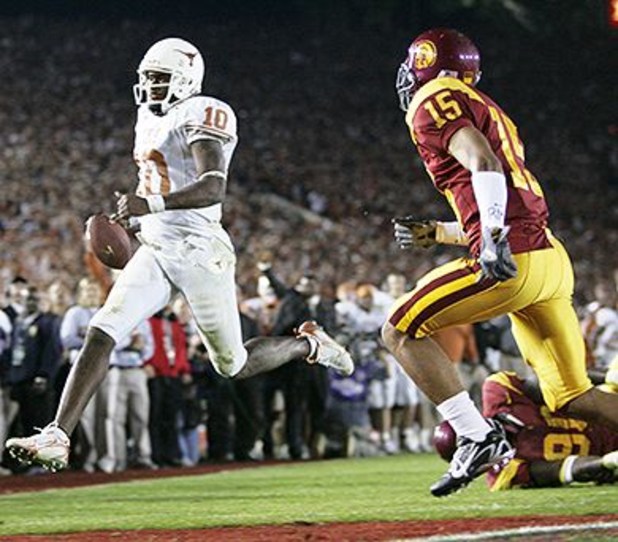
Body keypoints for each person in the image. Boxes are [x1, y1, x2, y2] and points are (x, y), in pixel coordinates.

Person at [6, 37, 352, 472]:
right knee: (102, 329)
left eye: (159, 78)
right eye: (147, 77)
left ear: (186, 79)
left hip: (200, 251)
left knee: (232, 364)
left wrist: (149, 205)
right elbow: (156, 181)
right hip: (157, 246)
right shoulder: (147, 117)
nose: (150, 85)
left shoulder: (203, 112)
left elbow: (213, 186)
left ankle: (308, 344)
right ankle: (58, 435)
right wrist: (136, 222)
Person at [382, 28, 618, 497]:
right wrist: (442, 232)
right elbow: (504, 193)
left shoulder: (433, 98)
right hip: (548, 259)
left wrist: (490, 240)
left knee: (399, 331)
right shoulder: (483, 105)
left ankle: (476, 435)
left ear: (427, 64)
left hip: (516, 260)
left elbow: (484, 165)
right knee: (572, 396)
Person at [433, 370, 618, 489]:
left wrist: (610, 376)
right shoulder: (503, 472)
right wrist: (608, 462)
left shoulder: (500, 392)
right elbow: (561, 470)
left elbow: (557, 384)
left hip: (610, 402)